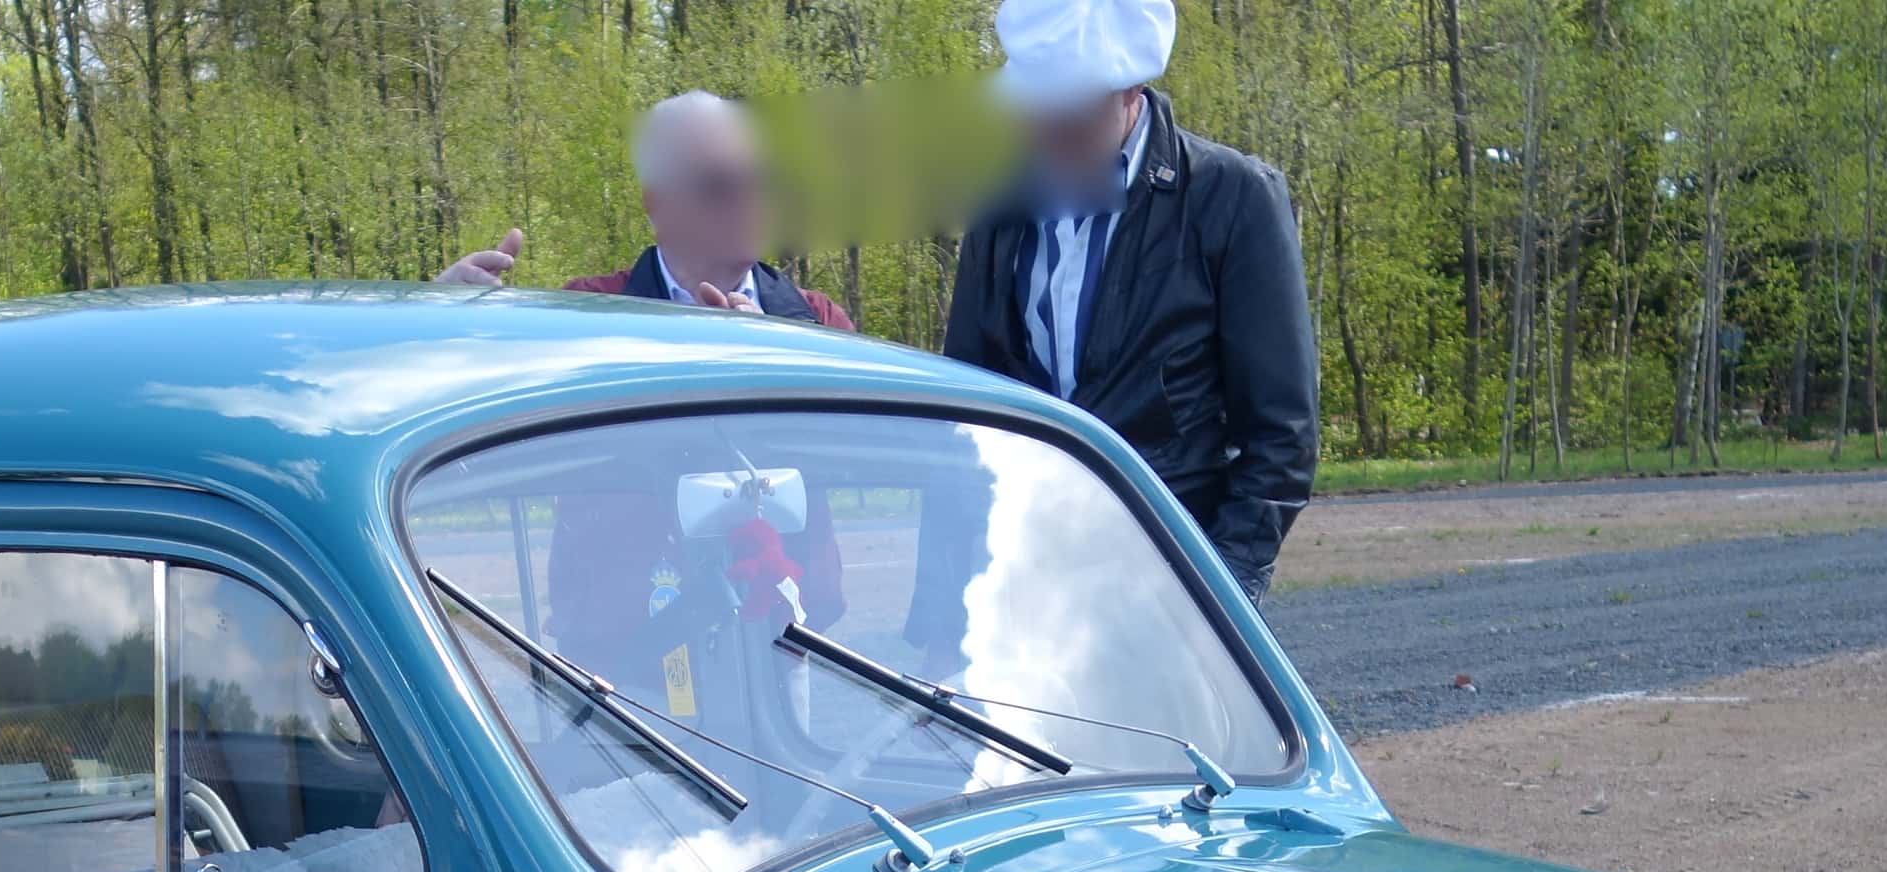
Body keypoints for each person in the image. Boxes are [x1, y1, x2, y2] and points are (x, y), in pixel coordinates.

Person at [940, 0, 1317, 598]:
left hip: (1170, 584)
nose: (1045, 130)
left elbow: (1281, 438)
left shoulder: (1233, 199)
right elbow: (962, 418)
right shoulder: (997, 208)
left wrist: (1220, 595)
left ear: (1131, 88)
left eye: (1069, 109)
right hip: (1021, 585)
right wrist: (944, 611)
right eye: (1032, 106)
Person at [436, 93, 854, 329]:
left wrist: (779, 358)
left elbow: (858, 450)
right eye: (720, 184)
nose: (750, 199)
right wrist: (444, 321)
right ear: (658, 205)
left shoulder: (818, 320)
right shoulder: (588, 312)